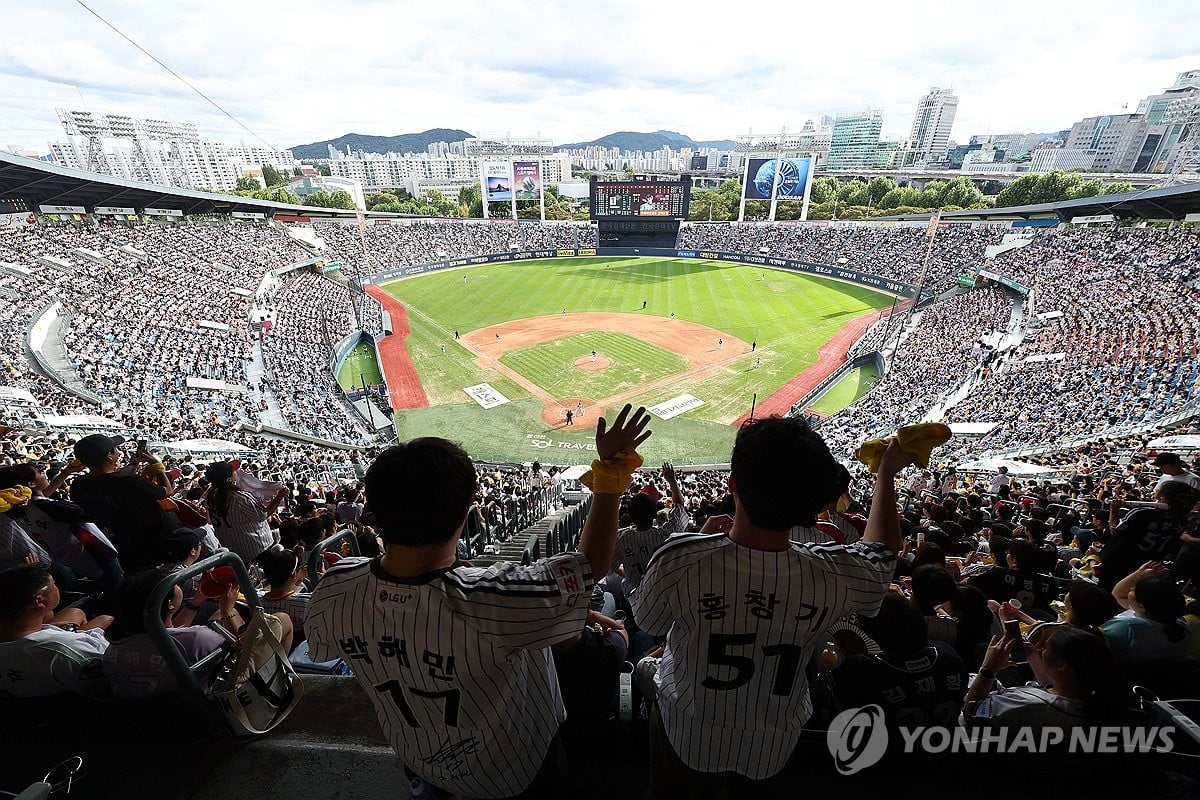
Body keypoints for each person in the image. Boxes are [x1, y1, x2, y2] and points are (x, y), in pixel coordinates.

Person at [305, 405, 652, 799]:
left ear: (375, 514)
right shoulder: (495, 597)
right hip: (517, 773)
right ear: (464, 514)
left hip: (420, 760)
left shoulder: (335, 585)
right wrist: (609, 472)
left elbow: (321, 647)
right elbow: (590, 565)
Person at [630, 417, 916, 794]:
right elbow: (881, 554)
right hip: (773, 740)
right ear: (810, 505)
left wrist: (698, 540)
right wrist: (885, 475)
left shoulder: (679, 557)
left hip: (687, 729)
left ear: (733, 487)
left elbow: (648, 619)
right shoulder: (834, 572)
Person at [0, 562, 113, 697]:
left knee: (76, 612)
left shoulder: (12, 620)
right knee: (107, 619)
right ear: (39, 601)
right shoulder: (63, 650)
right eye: (54, 584)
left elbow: (43, 615)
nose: (56, 587)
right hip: (58, 686)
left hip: (21, 660)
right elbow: (108, 681)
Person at [68, 434, 175, 571]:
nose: (119, 451)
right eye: (115, 448)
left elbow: (111, 480)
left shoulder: (78, 485)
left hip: (114, 545)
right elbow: (168, 491)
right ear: (109, 455)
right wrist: (157, 466)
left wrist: (135, 462)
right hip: (147, 546)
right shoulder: (131, 482)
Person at [204, 460, 287, 564]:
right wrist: (279, 497)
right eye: (233, 471)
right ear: (229, 478)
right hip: (257, 548)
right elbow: (262, 516)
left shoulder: (210, 496)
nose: (236, 472)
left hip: (234, 551)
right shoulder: (240, 498)